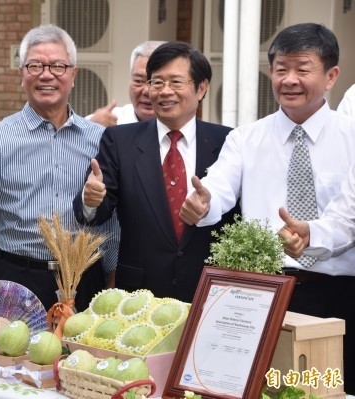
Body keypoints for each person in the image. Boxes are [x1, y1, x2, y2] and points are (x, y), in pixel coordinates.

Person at [179, 23, 355, 392]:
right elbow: (219, 186)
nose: (289, 79)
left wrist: (314, 234)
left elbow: (350, 216)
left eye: (302, 69)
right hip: (262, 294)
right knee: (263, 387)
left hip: (336, 294)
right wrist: (203, 203)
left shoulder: (351, 138)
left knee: (327, 388)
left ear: (330, 76)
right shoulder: (246, 138)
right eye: (280, 69)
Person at [0, 24, 119, 312]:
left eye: (58, 66)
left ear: (73, 74)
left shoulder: (100, 138)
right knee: (11, 355)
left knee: (82, 356)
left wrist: (112, 272)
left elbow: (110, 216)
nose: (47, 74)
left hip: (84, 278)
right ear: (21, 74)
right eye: (35, 65)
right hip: (17, 277)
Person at [73, 42, 236, 302]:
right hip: (139, 294)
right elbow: (94, 215)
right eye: (156, 82)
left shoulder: (227, 141)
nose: (164, 92)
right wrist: (90, 200)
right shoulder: (119, 140)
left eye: (175, 82)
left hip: (210, 291)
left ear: (201, 87)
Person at [87, 41, 165, 127]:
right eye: (138, 81)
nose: (146, 91)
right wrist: (91, 131)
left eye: (157, 82)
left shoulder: (180, 128)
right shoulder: (106, 121)